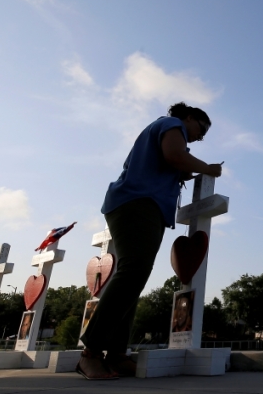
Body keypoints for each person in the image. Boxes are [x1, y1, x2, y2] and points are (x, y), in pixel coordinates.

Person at [77, 102, 223, 380]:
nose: (200, 137)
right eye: (201, 129)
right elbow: (175, 157)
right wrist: (208, 168)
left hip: (144, 205)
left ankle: (117, 354)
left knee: (133, 277)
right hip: (138, 202)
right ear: (188, 117)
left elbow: (175, 165)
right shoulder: (171, 124)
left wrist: (188, 170)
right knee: (134, 272)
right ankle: (91, 353)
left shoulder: (167, 131)